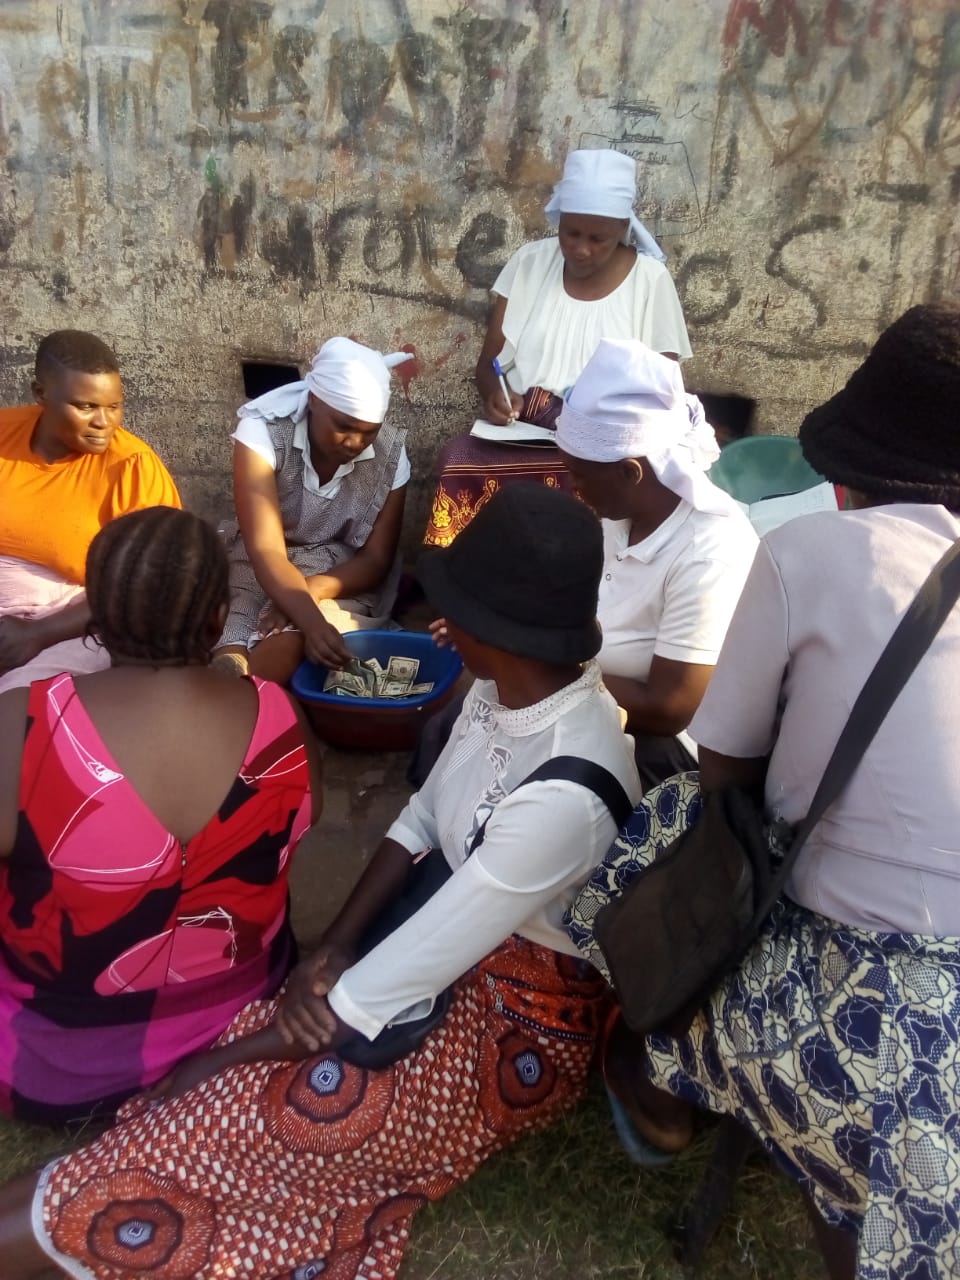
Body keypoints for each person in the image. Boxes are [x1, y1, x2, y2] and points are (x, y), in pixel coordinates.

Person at [0, 485, 641, 1280]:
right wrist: (330, 948)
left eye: (453, 609)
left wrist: (223, 1062)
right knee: (250, 1057)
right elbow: (419, 822)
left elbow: (392, 987)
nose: (437, 623)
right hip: (437, 942)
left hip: (507, 1019)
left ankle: (66, 1216)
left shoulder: (567, 794)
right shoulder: (503, 691)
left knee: (274, 1113)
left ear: (497, 633)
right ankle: (82, 1190)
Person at [603, 304, 960, 1280]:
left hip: (859, 1009)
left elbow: (725, 774)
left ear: (847, 476)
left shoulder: (807, 553)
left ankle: (664, 1071)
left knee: (667, 823)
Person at [0, 507, 320, 1126]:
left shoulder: (24, 720)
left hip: (55, 1065)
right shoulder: (281, 717)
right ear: (219, 618)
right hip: (242, 1028)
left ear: (94, 613)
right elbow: (301, 822)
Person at [424, 148, 692, 547]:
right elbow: (489, 364)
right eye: (571, 233)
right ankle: (464, 580)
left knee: (590, 485)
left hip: (601, 452)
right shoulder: (529, 263)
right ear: (559, 221)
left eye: (598, 239)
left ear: (623, 228)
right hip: (522, 435)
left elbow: (662, 395)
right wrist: (498, 396)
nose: (581, 249)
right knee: (458, 460)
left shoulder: (650, 281)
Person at [556, 337, 758, 788]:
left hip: (669, 751)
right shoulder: (621, 515)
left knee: (542, 773)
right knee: (470, 715)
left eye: (579, 475)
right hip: (593, 695)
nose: (572, 487)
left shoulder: (708, 552)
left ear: (630, 471)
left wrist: (540, 666)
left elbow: (669, 708)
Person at [214, 337, 414, 684]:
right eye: (343, 427)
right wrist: (309, 618)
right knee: (233, 640)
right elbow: (266, 550)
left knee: (288, 645)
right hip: (261, 562)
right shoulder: (263, 431)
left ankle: (250, 699)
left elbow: (375, 561)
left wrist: (308, 601)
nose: (355, 443)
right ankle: (235, 689)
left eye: (368, 433)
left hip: (341, 573)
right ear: (314, 401)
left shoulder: (391, 455)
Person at [0, 330, 181, 693]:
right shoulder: (6, 433)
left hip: (72, 621)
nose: (104, 422)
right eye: (85, 407)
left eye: (114, 406)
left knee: (19, 704)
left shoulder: (132, 467)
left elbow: (150, 582)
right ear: (40, 394)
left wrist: (38, 633)